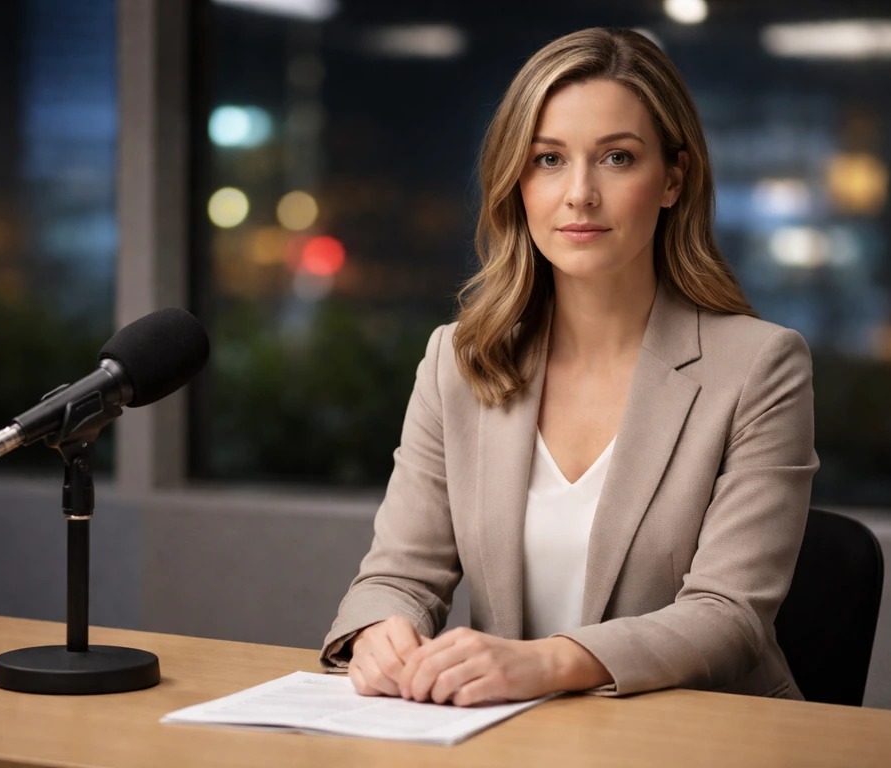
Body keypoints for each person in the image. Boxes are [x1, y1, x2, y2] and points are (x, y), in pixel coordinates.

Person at [320, 27, 818, 707]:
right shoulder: (460, 360)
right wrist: (383, 630)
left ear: (674, 178)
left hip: (703, 739)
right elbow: (399, 574)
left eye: (617, 158)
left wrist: (548, 663)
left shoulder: (761, 366)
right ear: (516, 181)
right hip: (511, 737)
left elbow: (728, 615)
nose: (579, 194)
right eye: (548, 160)